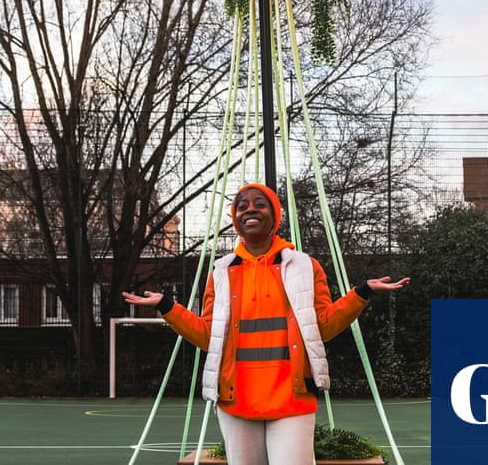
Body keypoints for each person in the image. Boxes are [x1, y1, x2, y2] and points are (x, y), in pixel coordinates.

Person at [123, 183, 410, 465]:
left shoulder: (305, 266)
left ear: (275, 216)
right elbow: (209, 336)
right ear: (235, 219)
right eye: (242, 205)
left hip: (292, 399)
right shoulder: (222, 272)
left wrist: (361, 294)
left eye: (260, 204)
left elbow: (322, 327)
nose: (250, 209)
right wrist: (167, 307)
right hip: (235, 401)